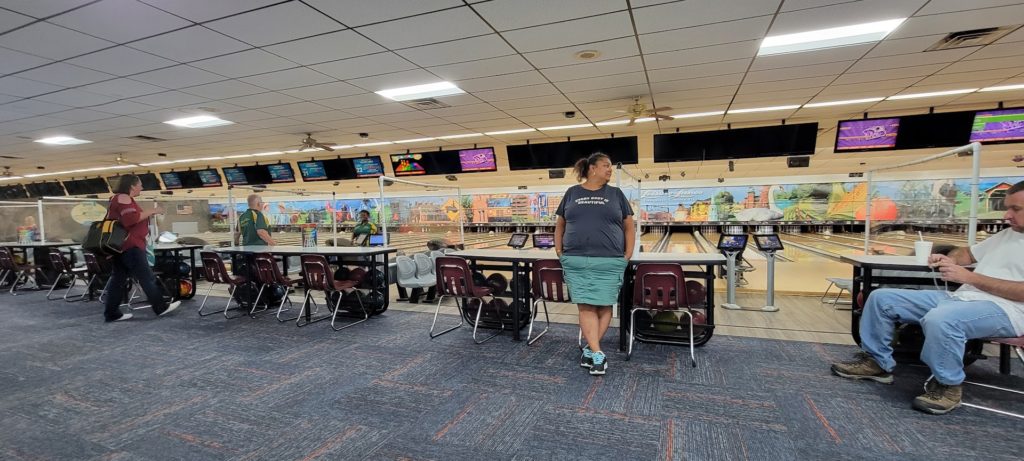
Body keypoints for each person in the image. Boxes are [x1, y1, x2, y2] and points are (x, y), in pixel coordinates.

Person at [831, 180, 1024, 415]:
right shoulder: (1006, 235)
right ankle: (877, 363)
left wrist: (970, 278)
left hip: (1009, 310)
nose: (1007, 215)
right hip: (964, 299)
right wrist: (950, 259)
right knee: (882, 298)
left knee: (942, 319)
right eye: (1007, 208)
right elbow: (966, 253)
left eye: (1016, 209)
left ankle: (948, 386)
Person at [555, 153, 635, 376]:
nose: (610, 170)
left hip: (610, 260)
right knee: (585, 306)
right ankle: (597, 353)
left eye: (610, 166)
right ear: (592, 168)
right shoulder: (572, 192)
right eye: (606, 166)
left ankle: (592, 350)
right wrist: (559, 250)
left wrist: (627, 255)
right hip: (576, 258)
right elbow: (560, 224)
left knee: (604, 305)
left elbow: (629, 225)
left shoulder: (616, 194)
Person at [102, 175, 180, 322]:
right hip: (130, 246)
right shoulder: (124, 198)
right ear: (132, 185)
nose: (142, 188)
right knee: (147, 278)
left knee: (118, 279)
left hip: (119, 247)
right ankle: (161, 307)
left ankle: (112, 313)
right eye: (140, 185)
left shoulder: (115, 198)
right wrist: (153, 211)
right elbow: (130, 220)